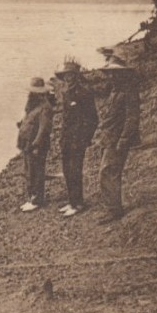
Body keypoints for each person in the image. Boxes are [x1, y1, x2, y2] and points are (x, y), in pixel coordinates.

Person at [97, 59, 140, 225]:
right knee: (107, 172)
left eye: (115, 73)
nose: (112, 76)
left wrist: (124, 139)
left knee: (108, 172)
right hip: (109, 138)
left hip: (117, 140)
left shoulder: (129, 92)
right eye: (110, 73)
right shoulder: (115, 90)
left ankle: (114, 210)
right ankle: (111, 207)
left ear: (123, 74)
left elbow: (132, 119)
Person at [55, 60, 99, 217]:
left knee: (75, 170)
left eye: (71, 75)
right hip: (67, 139)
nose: (68, 78)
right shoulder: (66, 93)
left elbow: (93, 119)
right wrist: (62, 138)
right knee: (67, 170)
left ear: (76, 76)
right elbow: (66, 120)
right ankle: (72, 201)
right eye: (66, 76)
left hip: (77, 139)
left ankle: (78, 203)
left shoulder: (84, 93)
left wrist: (85, 138)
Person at [16, 77, 54, 212]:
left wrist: (37, 144)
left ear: (41, 93)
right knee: (29, 171)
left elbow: (44, 129)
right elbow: (28, 121)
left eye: (35, 92)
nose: (32, 95)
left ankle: (37, 199)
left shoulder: (45, 108)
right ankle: (32, 197)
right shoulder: (31, 106)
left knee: (36, 171)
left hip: (36, 144)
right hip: (27, 143)